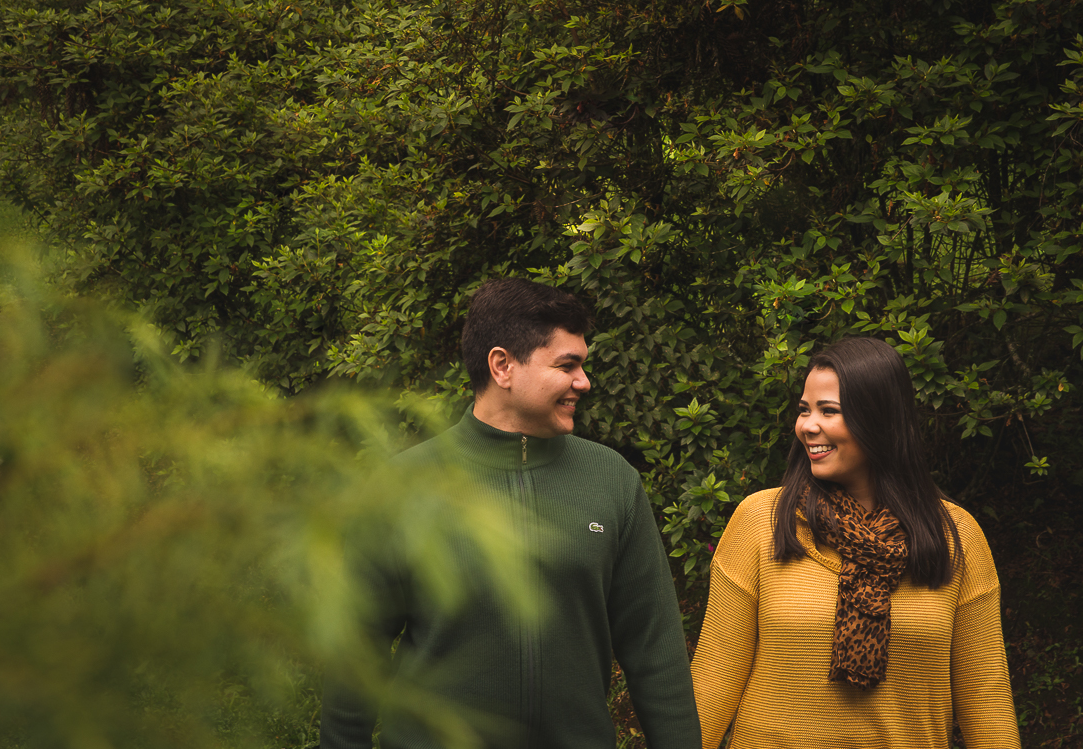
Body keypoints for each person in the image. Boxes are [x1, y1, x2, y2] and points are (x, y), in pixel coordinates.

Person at [320, 277, 702, 749]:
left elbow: (656, 653)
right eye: (567, 365)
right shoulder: (403, 486)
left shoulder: (612, 480)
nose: (584, 381)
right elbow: (357, 657)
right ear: (502, 366)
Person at [691, 336, 1020, 749]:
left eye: (829, 411)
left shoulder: (956, 536)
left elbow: (985, 695)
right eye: (804, 410)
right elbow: (715, 675)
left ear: (879, 420)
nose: (808, 426)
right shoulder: (762, 520)